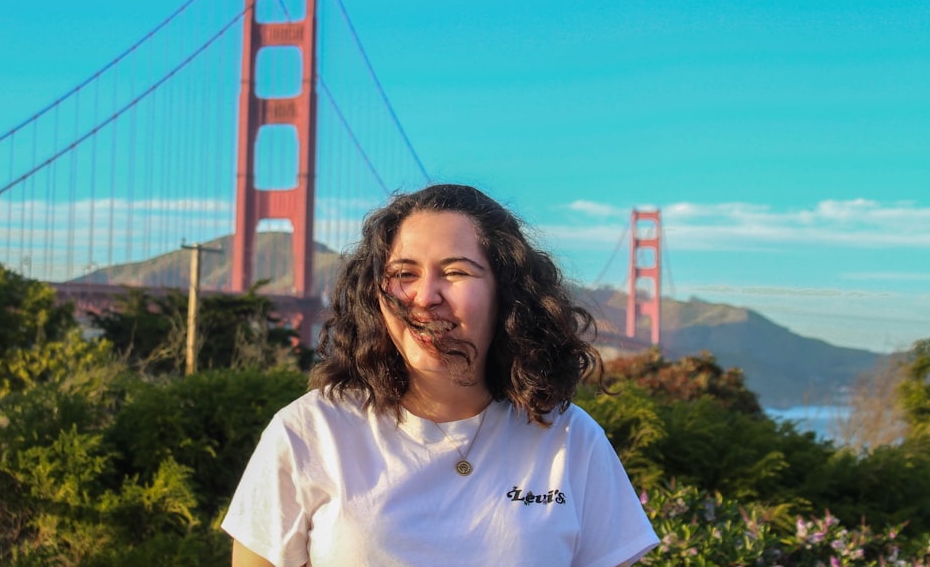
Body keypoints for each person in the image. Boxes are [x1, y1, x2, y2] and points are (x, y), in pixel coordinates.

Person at [223, 184, 659, 567]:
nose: (425, 297)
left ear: (506, 293)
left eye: (456, 272)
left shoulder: (571, 440)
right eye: (403, 274)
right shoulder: (309, 432)